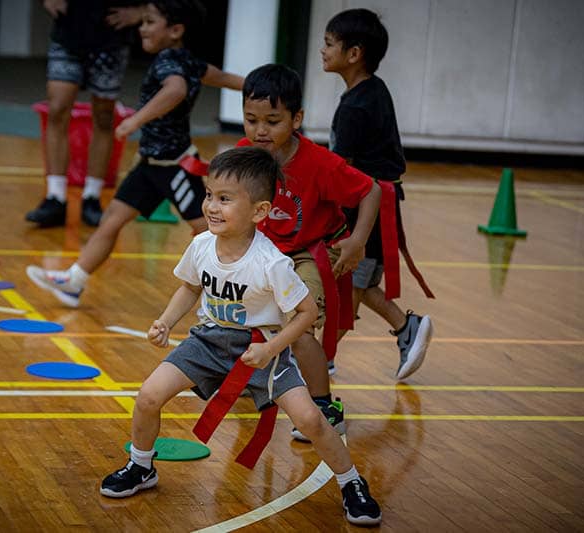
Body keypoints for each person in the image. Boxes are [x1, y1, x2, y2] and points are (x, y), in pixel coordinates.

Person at [99, 147, 382, 526]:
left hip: (261, 348)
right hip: (207, 341)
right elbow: (189, 287)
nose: (212, 206)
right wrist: (165, 322)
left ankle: (352, 482)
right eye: (210, 196)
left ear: (260, 212)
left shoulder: (272, 263)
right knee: (149, 396)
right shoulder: (201, 245)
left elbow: (307, 314)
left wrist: (271, 349)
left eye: (225, 199)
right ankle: (141, 466)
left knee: (311, 420)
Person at [26, 0, 244, 307]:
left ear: (176, 31)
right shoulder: (189, 61)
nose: (142, 27)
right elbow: (220, 78)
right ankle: (75, 280)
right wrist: (254, 85)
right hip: (149, 166)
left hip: (174, 166)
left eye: (150, 22)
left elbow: (176, 90)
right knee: (112, 219)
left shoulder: (170, 63)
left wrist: (135, 120)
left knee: (206, 230)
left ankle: (235, 294)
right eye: (143, 22)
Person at [237, 64, 381, 442]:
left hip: (308, 255)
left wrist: (357, 241)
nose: (260, 130)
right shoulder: (244, 154)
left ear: (297, 119)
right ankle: (248, 380)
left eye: (272, 120)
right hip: (265, 252)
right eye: (251, 120)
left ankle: (324, 407)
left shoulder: (319, 163)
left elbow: (371, 191)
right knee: (231, 313)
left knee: (298, 330)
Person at [322, 8, 433, 381]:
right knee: (360, 281)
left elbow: (342, 171)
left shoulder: (355, 106)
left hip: (368, 210)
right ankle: (407, 328)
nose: (323, 51)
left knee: (349, 287)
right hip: (378, 204)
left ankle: (319, 359)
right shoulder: (374, 90)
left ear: (353, 53)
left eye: (328, 44)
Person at [25, 0, 143, 228]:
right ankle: (55, 197)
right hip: (68, 32)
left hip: (111, 37)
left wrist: (141, 11)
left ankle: (92, 197)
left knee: (104, 116)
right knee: (57, 109)